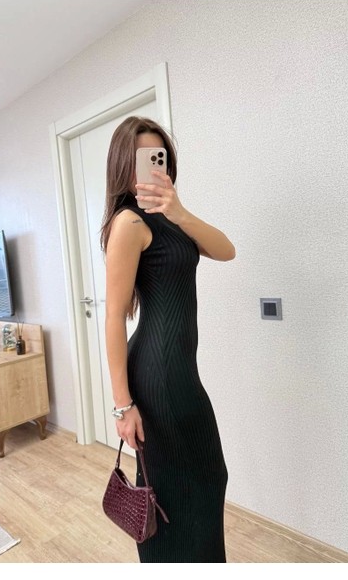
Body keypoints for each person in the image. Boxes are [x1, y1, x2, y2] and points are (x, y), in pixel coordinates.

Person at [101, 116, 236, 563]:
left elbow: (226, 250)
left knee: (205, 479)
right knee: (176, 488)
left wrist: (178, 211)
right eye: (142, 158)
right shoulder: (128, 223)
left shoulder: (171, 217)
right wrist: (122, 405)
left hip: (178, 372)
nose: (153, 167)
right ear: (124, 165)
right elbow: (114, 318)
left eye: (158, 157)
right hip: (157, 375)